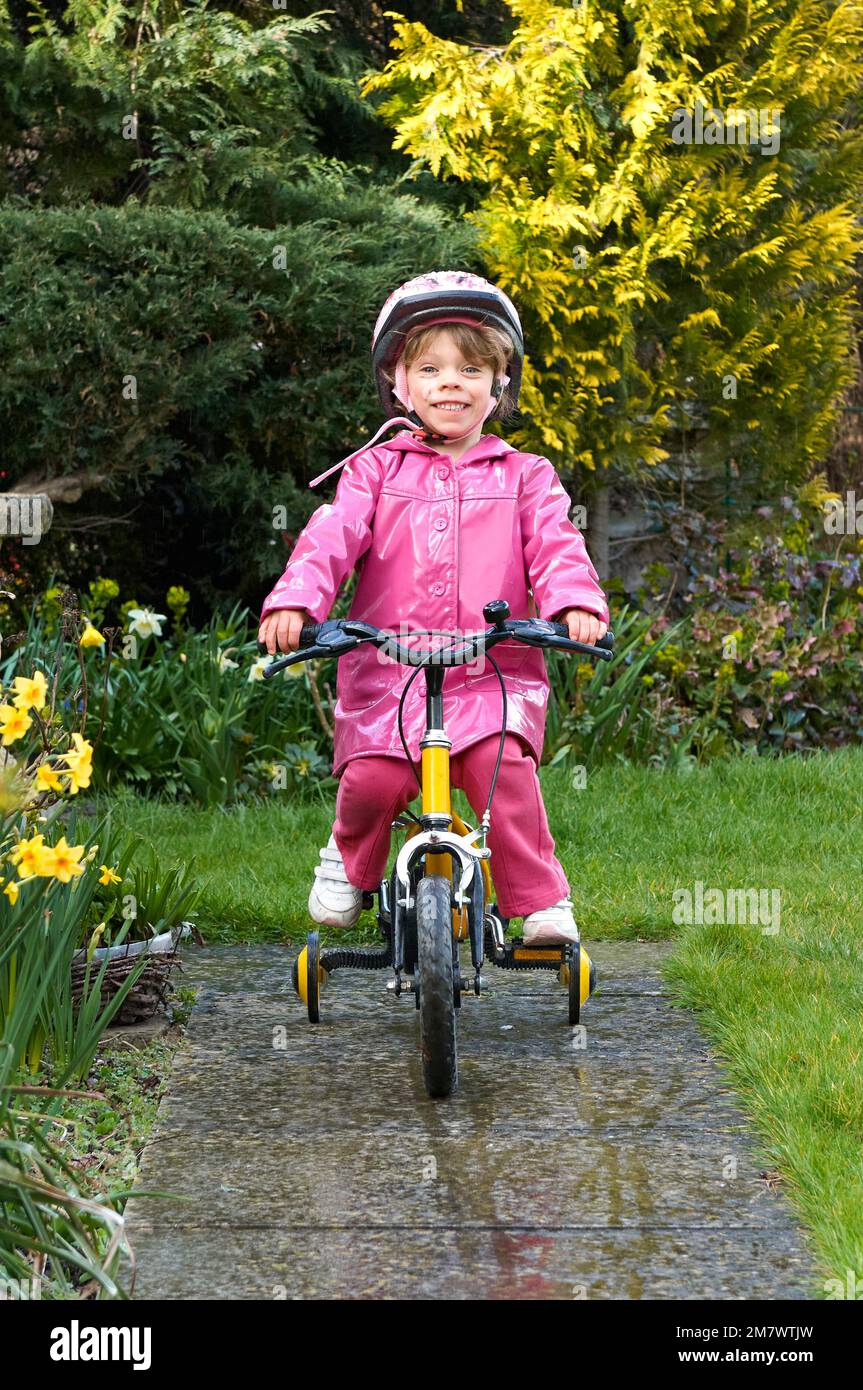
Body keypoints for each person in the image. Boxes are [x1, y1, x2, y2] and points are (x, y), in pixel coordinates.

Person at [258, 270, 609, 945]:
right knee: (371, 777)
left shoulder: (523, 476)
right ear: (400, 383)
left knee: (504, 774)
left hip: (491, 672)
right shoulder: (374, 471)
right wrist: (298, 601)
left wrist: (572, 603)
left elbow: (557, 544)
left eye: (471, 368)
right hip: (386, 671)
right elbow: (331, 536)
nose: (451, 382)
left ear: (498, 384)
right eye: (431, 367)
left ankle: (538, 899)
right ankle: (348, 862)